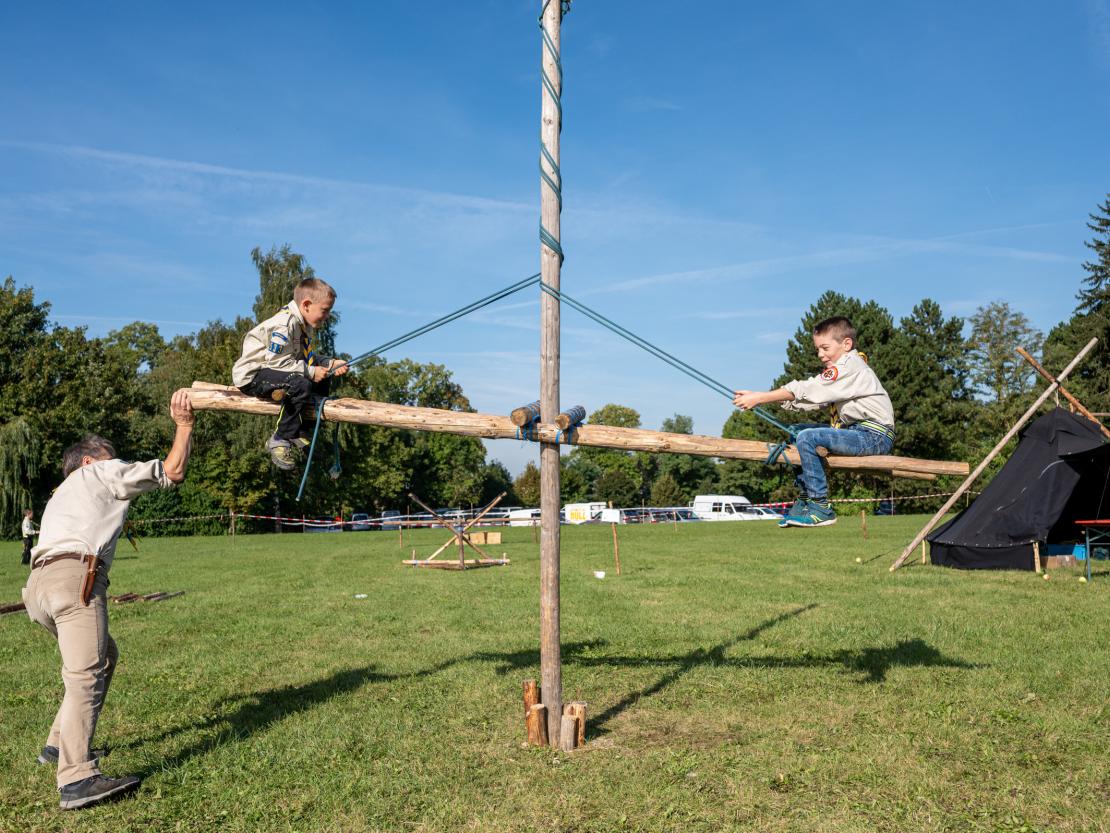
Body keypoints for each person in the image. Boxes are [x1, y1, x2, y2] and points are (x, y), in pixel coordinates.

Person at [21, 390, 195, 810]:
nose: (115, 459)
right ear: (87, 460)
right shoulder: (96, 474)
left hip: (38, 589)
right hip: (74, 579)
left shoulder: (59, 494)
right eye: (108, 455)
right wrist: (185, 426)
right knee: (85, 673)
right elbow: (171, 472)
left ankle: (56, 744)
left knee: (102, 657)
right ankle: (77, 778)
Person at [733, 316, 894, 528]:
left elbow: (812, 389)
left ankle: (820, 507)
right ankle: (806, 497)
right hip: (859, 432)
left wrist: (761, 397)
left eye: (825, 348)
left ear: (847, 344)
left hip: (874, 436)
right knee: (798, 431)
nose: (820, 355)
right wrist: (760, 396)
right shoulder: (846, 368)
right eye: (818, 349)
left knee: (807, 437)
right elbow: (813, 401)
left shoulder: (850, 365)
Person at [232, 277, 349, 470]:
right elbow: (276, 362)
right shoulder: (285, 325)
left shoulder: (301, 324)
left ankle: (301, 430)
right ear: (307, 305)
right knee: (300, 384)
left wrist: (329, 363)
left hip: (276, 370)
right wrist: (311, 371)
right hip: (254, 375)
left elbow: (303, 357)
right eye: (325, 310)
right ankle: (281, 438)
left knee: (322, 376)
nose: (327, 316)